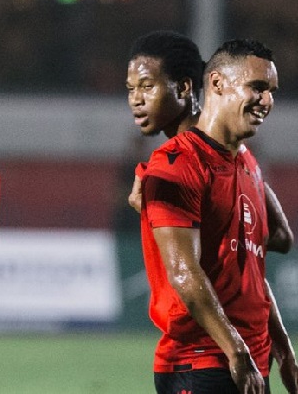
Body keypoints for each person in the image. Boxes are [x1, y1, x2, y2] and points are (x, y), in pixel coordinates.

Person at [138, 38, 298, 394]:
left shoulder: (247, 162)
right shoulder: (176, 164)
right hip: (203, 362)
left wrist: (283, 350)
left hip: (249, 361)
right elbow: (184, 273)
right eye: (257, 87)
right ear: (216, 84)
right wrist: (237, 352)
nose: (267, 100)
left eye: (271, 91)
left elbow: (258, 262)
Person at [125, 30, 293, 254]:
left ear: (184, 88)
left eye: (147, 87)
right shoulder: (234, 148)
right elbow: (278, 235)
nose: (136, 99)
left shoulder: (190, 158)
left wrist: (172, 213)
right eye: (131, 89)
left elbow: (279, 236)